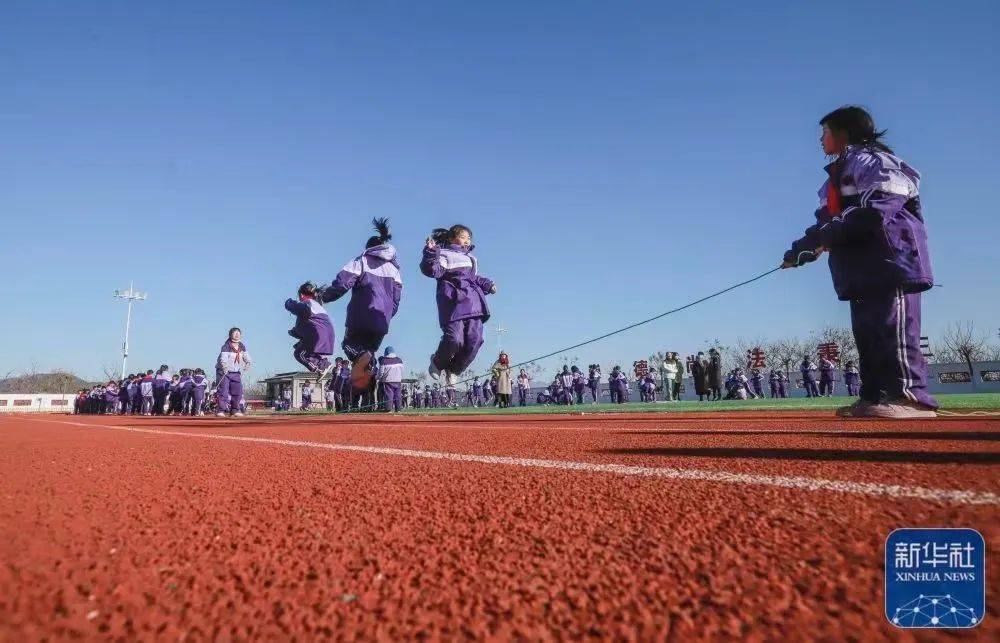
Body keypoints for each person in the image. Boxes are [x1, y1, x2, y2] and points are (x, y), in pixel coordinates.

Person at [782, 106, 937, 418]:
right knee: (867, 332)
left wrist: (829, 235)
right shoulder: (833, 180)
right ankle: (874, 395)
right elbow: (827, 223)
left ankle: (910, 397)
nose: (820, 141)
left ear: (844, 133)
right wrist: (802, 248)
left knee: (893, 328)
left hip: (889, 261)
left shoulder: (874, 161)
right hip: (857, 269)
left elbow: (878, 208)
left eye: (824, 133)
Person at [319, 218, 402, 390]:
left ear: (368, 248)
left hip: (360, 316)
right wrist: (387, 316)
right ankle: (369, 400)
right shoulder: (395, 270)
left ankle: (362, 359)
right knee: (369, 359)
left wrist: (324, 297)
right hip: (381, 320)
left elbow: (342, 284)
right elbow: (396, 300)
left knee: (350, 346)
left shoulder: (361, 261)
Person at [420, 224, 496, 386]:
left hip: (474, 305)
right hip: (453, 304)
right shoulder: (444, 253)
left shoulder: (470, 258)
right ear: (451, 238)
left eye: (469, 238)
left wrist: (488, 285)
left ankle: (455, 370)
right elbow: (432, 271)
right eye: (463, 236)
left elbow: (473, 278)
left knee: (476, 340)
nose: (467, 240)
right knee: (454, 339)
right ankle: (438, 362)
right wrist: (430, 252)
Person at [285, 282, 336, 383]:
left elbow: (299, 309)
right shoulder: (316, 305)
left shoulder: (307, 303)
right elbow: (304, 325)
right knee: (301, 347)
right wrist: (294, 332)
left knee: (300, 354)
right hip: (325, 333)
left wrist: (289, 303)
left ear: (301, 295)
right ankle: (323, 363)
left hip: (318, 334)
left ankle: (321, 366)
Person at [215, 327, 252, 417]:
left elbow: (246, 356)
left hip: (236, 372)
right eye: (235, 333)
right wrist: (225, 367)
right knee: (223, 391)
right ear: (230, 334)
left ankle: (235, 409)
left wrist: (248, 362)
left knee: (238, 391)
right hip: (224, 372)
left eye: (238, 333)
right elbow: (223, 359)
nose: (237, 334)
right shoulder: (226, 346)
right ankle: (221, 410)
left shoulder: (241, 346)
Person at [377, 346, 404, 413]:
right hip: (398, 380)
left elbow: (381, 373)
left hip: (388, 381)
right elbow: (402, 370)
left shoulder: (383, 361)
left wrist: (377, 378)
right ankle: (398, 409)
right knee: (398, 395)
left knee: (389, 395)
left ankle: (388, 409)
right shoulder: (399, 360)